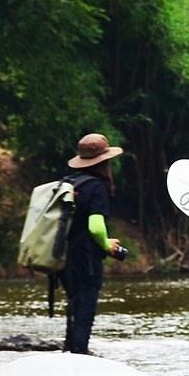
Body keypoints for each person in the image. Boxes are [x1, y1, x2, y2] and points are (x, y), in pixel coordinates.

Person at [61, 133, 124, 354]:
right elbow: (95, 226)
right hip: (86, 258)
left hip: (63, 257)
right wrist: (107, 245)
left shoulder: (68, 183)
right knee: (86, 307)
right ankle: (80, 354)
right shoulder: (96, 187)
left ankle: (69, 349)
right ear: (103, 162)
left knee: (74, 304)